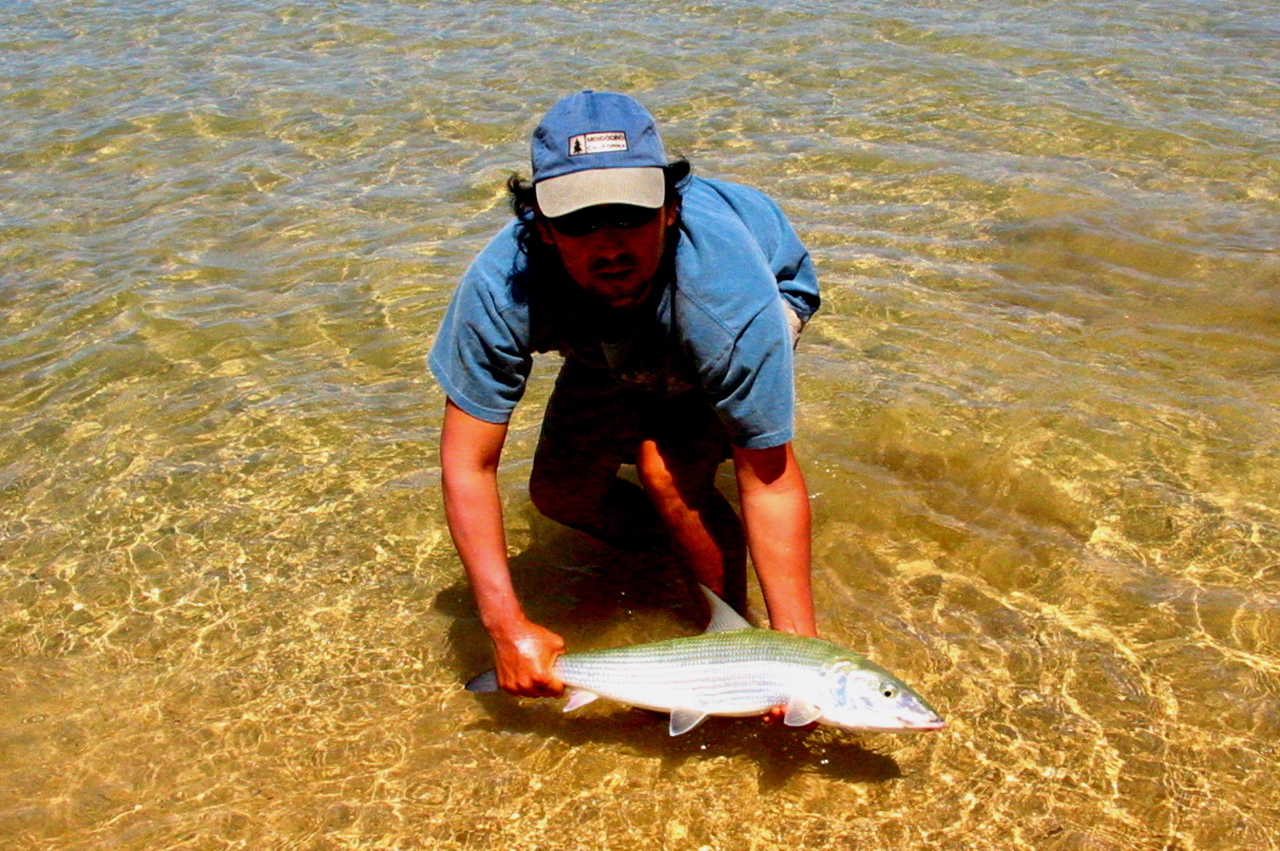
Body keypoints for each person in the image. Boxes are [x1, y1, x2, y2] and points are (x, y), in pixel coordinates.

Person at [430, 90, 820, 700]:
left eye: (630, 214)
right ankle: (669, 557)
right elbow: (467, 463)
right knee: (560, 492)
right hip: (599, 327)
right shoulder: (502, 287)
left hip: (758, 290)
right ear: (541, 227)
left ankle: (727, 639)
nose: (610, 245)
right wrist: (504, 626)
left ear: (670, 209)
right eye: (579, 222)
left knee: (666, 470)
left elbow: (768, 481)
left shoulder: (729, 302)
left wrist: (798, 662)